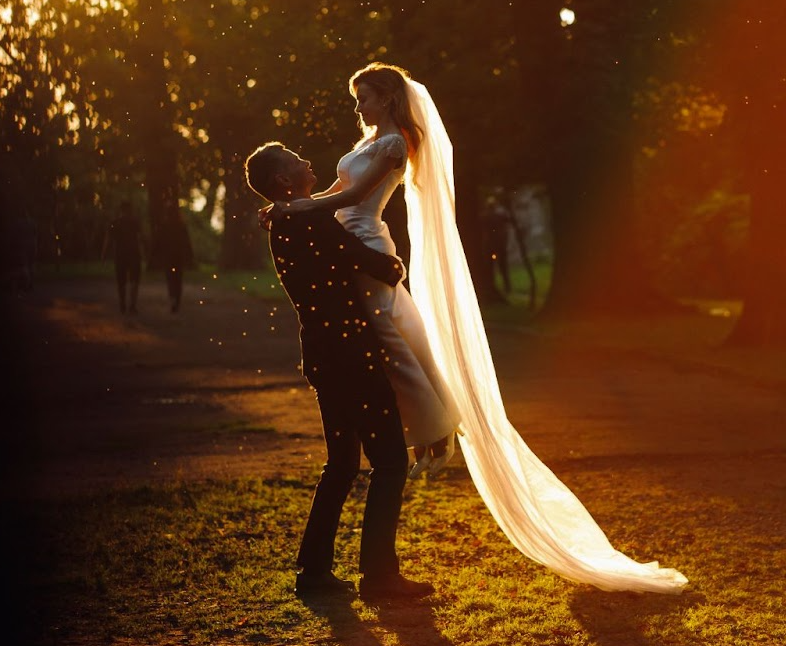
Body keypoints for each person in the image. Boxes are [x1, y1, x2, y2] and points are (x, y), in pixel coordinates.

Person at [264, 62, 689, 594]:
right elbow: (340, 199)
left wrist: (299, 207)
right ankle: (430, 430)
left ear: (388, 98)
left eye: (364, 98)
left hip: (351, 274)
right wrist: (311, 213)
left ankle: (427, 433)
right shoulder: (333, 191)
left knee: (382, 364)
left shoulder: (390, 149)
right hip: (348, 275)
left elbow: (349, 199)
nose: (358, 109)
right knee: (387, 355)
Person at [244, 142, 435, 601]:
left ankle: (313, 572)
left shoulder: (288, 217)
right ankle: (379, 576)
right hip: (352, 357)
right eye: (297, 161)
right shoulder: (304, 219)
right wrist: (391, 263)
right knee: (390, 460)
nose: (307, 162)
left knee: (343, 463)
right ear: (283, 182)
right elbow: (372, 263)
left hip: (325, 357)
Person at [151, 206, 195, 313]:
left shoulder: (164, 226)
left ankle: (173, 299)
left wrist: (155, 254)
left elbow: (158, 242)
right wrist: (190, 256)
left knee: (171, 279)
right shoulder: (181, 226)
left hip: (168, 257)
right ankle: (177, 301)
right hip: (178, 257)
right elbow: (187, 243)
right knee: (178, 279)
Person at [102, 200, 143, 314]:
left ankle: (122, 304)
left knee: (121, 281)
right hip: (134, 254)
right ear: (130, 209)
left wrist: (104, 254)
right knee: (134, 280)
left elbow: (108, 239)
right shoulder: (135, 222)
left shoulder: (115, 222)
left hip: (120, 255)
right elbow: (140, 238)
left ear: (121, 210)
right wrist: (143, 251)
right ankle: (132, 305)